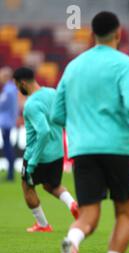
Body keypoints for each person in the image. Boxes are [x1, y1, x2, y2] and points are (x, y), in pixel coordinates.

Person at [51, 11, 129, 253]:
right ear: (119, 33)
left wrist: (82, 125)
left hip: (82, 150)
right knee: (124, 214)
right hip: (117, 147)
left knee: (88, 216)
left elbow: (57, 115)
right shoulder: (126, 63)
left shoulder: (73, 67)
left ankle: (72, 241)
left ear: (92, 34)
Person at [12, 67, 79, 232]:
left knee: (27, 186)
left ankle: (43, 224)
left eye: (16, 85)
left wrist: (33, 161)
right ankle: (72, 203)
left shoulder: (31, 105)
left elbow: (43, 131)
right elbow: (65, 117)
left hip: (38, 154)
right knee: (51, 185)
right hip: (57, 152)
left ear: (22, 83)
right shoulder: (52, 93)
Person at [0, 67, 18, 182]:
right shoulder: (12, 89)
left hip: (6, 122)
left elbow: (2, 105)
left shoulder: (8, 90)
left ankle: (10, 174)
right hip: (9, 121)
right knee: (7, 146)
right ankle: (10, 173)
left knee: (7, 147)